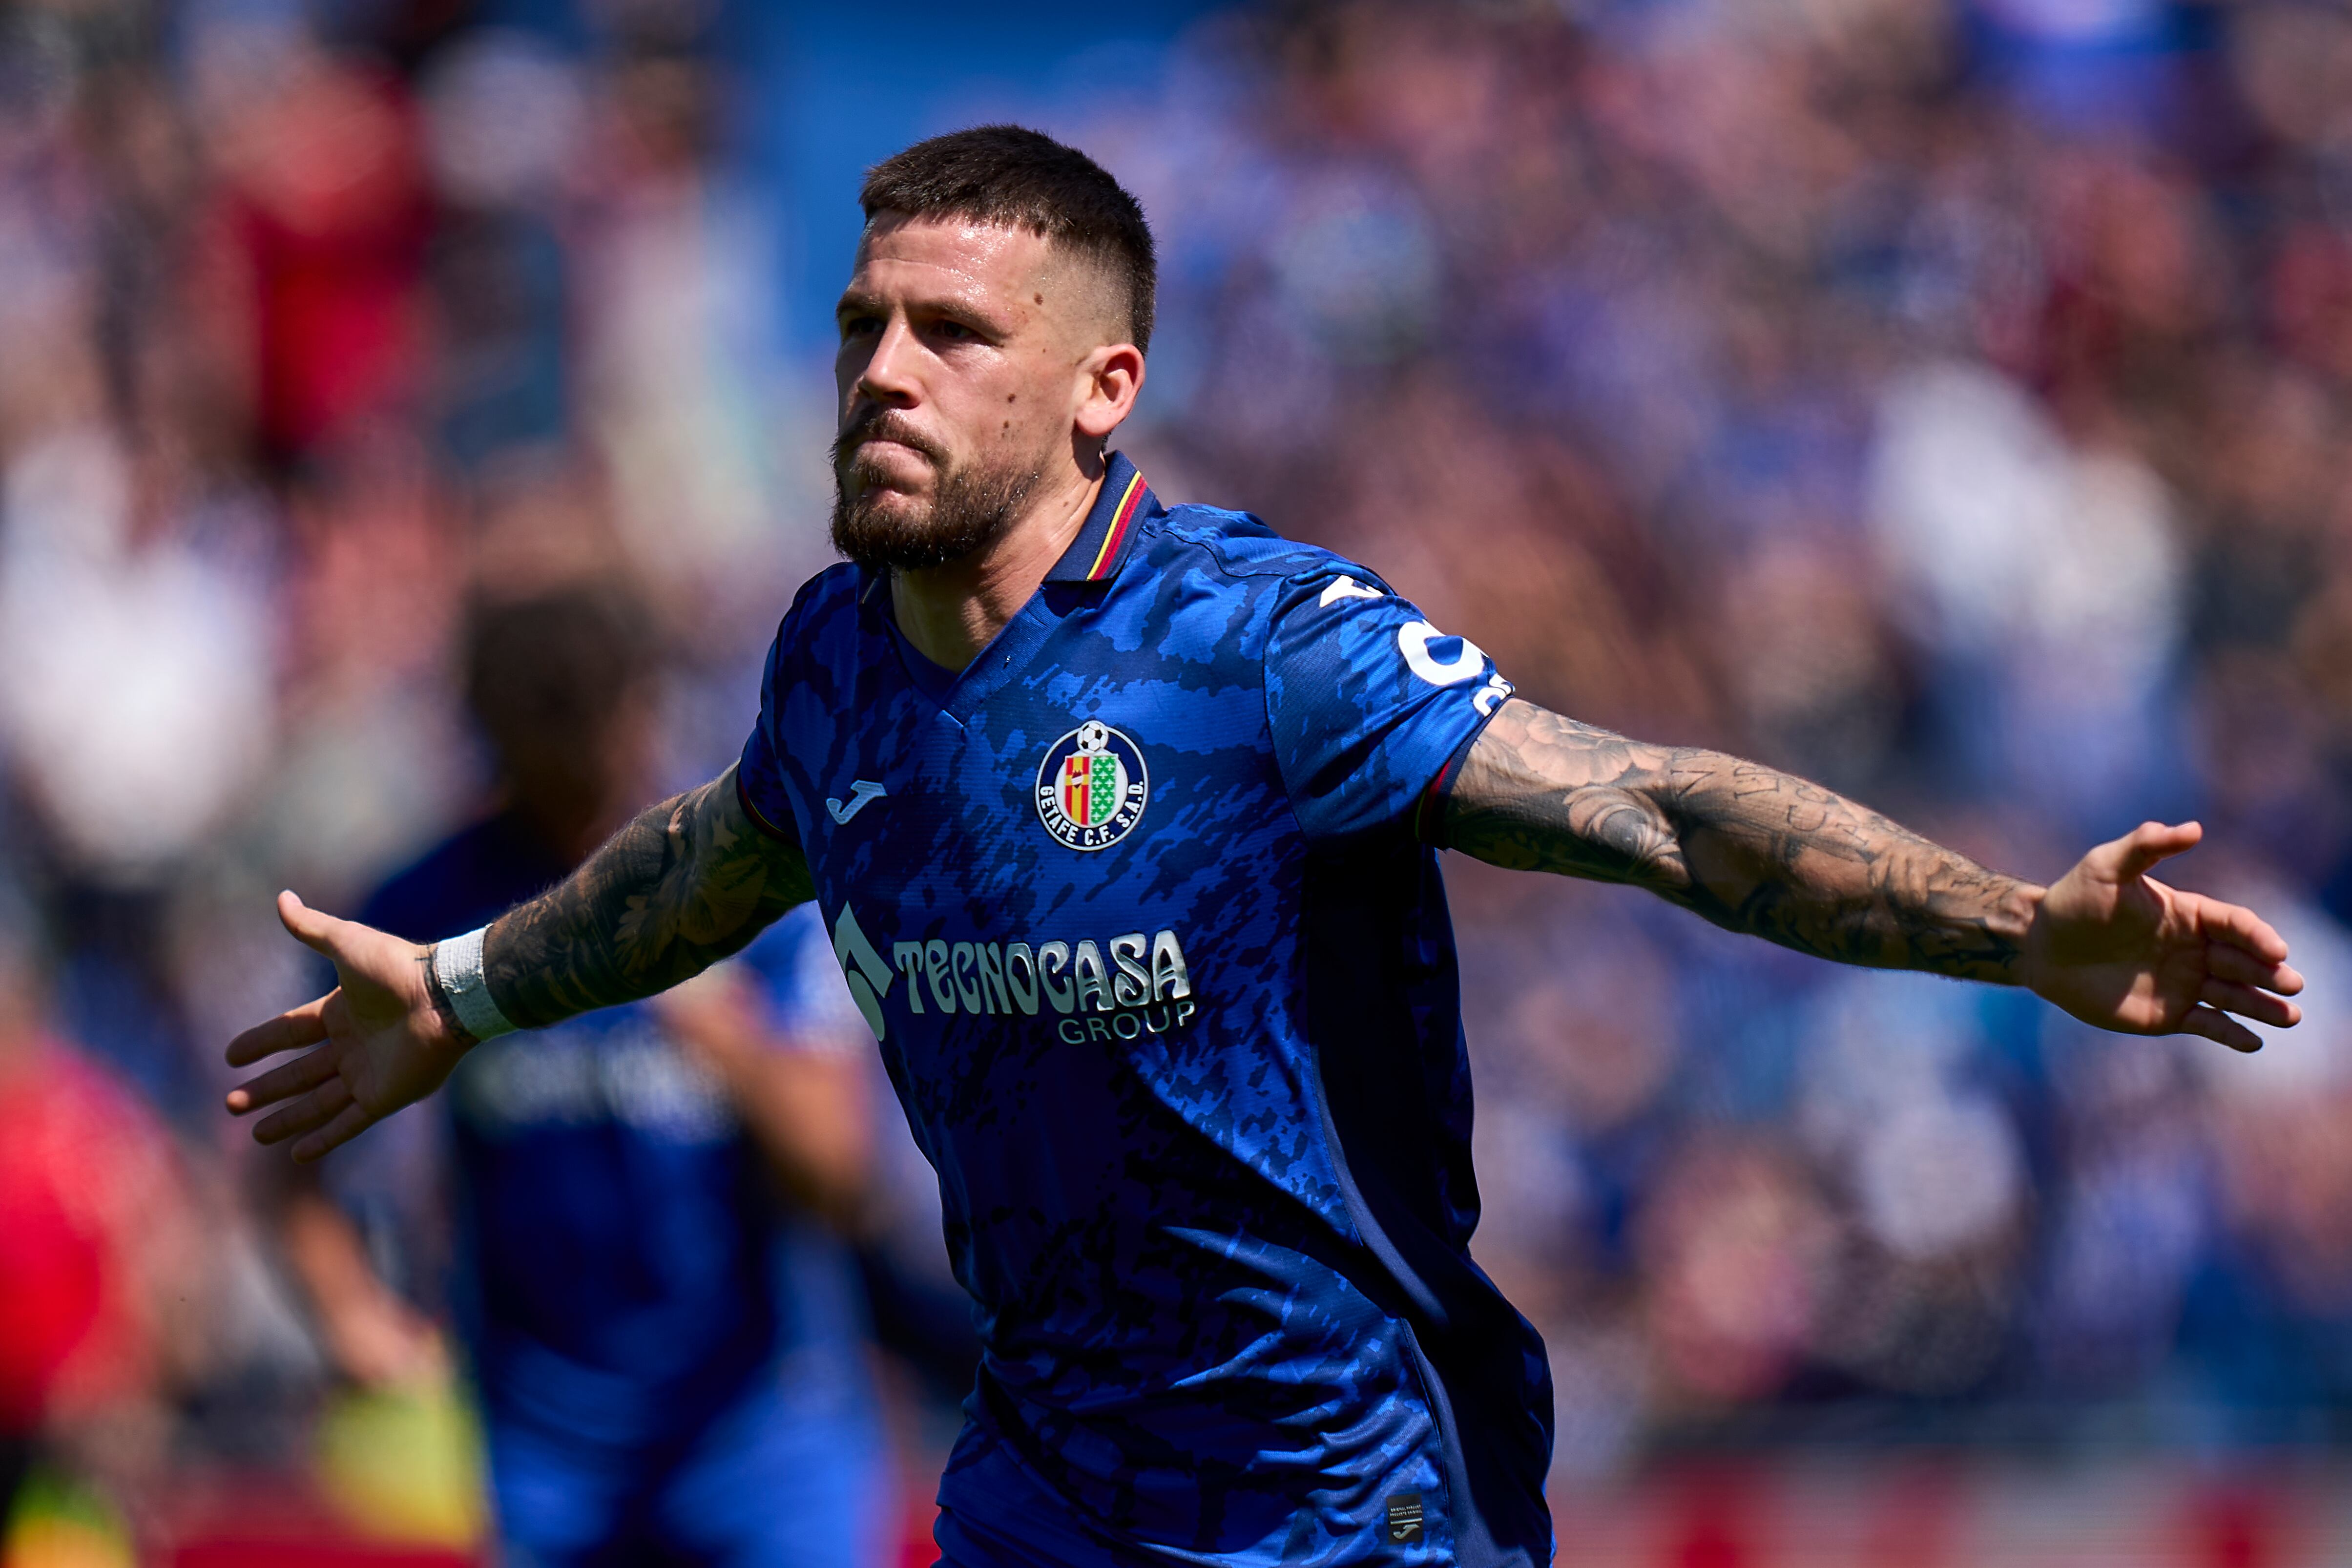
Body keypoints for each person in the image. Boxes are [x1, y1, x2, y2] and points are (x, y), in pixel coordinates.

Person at [225, 127, 2306, 1567]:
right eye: (864, 322)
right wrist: (470, 987)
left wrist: (2007, 928)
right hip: (1040, 1485)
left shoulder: (1260, 647)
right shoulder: (835, 661)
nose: (880, 370)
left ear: (1100, 386)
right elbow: (715, 853)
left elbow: (1653, 804)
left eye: (953, 336)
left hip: (1344, 1497)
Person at [273, 585, 889, 1568]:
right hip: (546, 1447)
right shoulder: (425, 917)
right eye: (538, 761)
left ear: (642, 712)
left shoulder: (746, 887)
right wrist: (351, 1310)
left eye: (592, 751)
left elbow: (842, 1178)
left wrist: (708, 1020)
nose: (574, 799)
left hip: (759, 1431)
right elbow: (288, 1139)